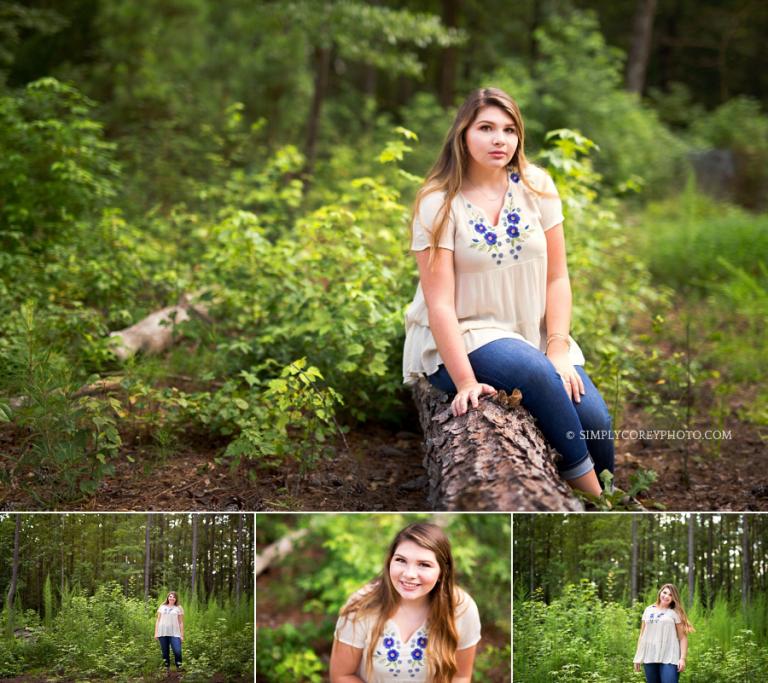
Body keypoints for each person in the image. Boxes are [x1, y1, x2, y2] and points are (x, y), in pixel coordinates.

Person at [402, 86, 614, 496]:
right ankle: (595, 498)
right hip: (466, 335)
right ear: (463, 134)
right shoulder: (438, 202)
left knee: (594, 419)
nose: (499, 139)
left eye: (509, 129)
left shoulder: (536, 185)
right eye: (485, 128)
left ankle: (608, 492)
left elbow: (558, 276)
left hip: (533, 333)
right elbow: (440, 304)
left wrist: (557, 346)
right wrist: (465, 382)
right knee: (533, 372)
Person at [329, 523, 481, 683]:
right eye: (401, 560)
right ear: (389, 562)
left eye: (424, 564)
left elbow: (461, 677)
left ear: (443, 572)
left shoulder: (461, 608)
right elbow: (342, 676)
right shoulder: (361, 605)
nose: (409, 574)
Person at [634, 583, 694, 683]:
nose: (666, 596)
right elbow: (642, 635)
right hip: (650, 655)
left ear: (674, 598)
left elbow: (683, 637)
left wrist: (682, 658)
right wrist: (638, 656)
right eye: (665, 592)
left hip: (670, 656)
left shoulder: (675, 612)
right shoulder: (648, 610)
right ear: (660, 592)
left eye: (670, 595)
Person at [154, 591, 184, 672]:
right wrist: (156, 633)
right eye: (170, 596)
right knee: (165, 653)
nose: (172, 598)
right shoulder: (162, 606)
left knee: (177, 651)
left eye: (173, 597)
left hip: (175, 633)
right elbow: (158, 620)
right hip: (162, 632)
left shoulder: (179, 608)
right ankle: (166, 670)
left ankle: (179, 669)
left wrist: (182, 635)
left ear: (176, 599)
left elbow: (181, 622)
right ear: (168, 597)